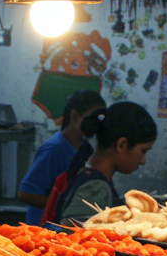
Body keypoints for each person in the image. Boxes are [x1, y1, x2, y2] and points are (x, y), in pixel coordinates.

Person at [50, 102, 158, 225]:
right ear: (122, 145)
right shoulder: (95, 187)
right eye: (143, 151)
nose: (143, 161)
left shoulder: (90, 177)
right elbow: (73, 234)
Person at [17, 90, 106, 224]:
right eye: (91, 118)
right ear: (75, 116)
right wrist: (63, 205)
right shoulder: (54, 149)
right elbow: (25, 194)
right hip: (43, 229)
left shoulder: (84, 147)